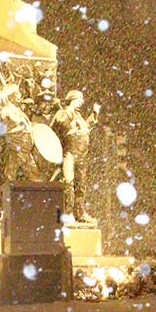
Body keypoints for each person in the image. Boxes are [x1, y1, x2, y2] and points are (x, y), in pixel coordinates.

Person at [50, 89, 100, 222]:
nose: (81, 102)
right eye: (79, 99)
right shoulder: (65, 112)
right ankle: (68, 211)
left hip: (81, 155)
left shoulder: (78, 116)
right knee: (69, 181)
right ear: (72, 99)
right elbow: (56, 128)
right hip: (70, 153)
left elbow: (85, 128)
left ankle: (80, 211)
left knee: (81, 183)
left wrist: (94, 114)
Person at [0, 83, 38, 184]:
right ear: (11, 95)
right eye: (17, 93)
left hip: (24, 147)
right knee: (30, 173)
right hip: (17, 145)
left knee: (12, 173)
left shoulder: (16, 109)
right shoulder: (5, 110)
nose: (20, 95)